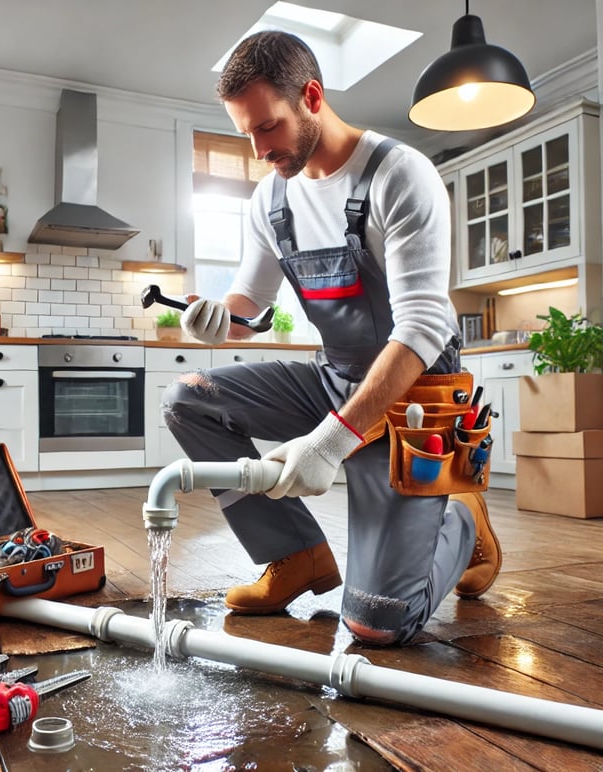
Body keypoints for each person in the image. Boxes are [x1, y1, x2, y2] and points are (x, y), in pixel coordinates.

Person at [161, 30, 501, 646]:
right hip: (335, 378)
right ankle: (296, 555)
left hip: (415, 402)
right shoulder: (271, 197)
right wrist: (220, 317)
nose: (259, 150)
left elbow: (424, 325)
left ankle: (462, 518)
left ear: (312, 96)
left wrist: (331, 442)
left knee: (378, 624)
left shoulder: (400, 175)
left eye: (268, 128)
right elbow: (252, 301)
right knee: (187, 396)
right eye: (247, 134)